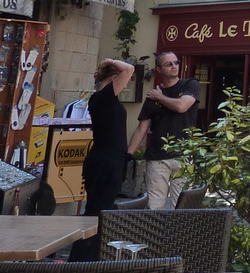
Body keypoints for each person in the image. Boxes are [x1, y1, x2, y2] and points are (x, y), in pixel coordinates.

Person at [68, 58, 134, 261]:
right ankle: (81, 258)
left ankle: (87, 256)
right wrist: (111, 61)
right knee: (96, 211)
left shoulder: (108, 100)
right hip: (104, 162)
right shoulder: (102, 98)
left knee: (100, 211)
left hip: (111, 161)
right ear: (114, 78)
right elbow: (129, 69)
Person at [127, 51, 199, 209]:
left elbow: (181, 106)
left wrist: (160, 97)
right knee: (154, 205)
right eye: (169, 64)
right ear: (159, 69)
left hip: (183, 155)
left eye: (176, 62)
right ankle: (156, 234)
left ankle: (177, 234)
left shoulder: (190, 84)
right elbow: (141, 129)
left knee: (181, 207)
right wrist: (128, 155)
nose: (174, 66)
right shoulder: (152, 96)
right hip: (157, 157)